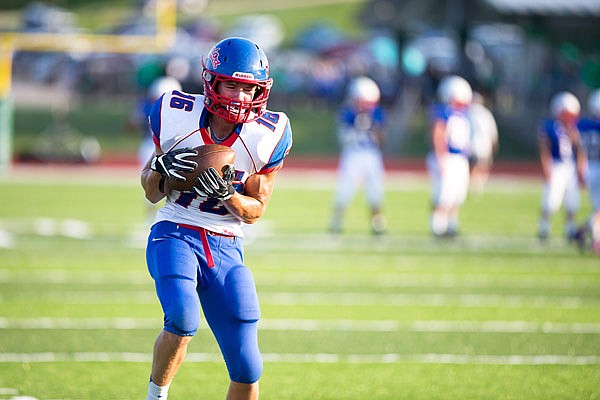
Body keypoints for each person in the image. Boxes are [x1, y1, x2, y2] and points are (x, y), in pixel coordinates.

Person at [141, 37, 293, 400]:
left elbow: (256, 211)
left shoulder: (267, 136)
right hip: (176, 229)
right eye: (232, 85)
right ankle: (155, 396)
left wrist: (229, 196)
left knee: (247, 367)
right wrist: (162, 172)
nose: (241, 96)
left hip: (227, 244)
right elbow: (150, 190)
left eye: (248, 88)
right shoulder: (176, 115)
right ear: (212, 82)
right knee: (181, 317)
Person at [329, 76, 387, 235]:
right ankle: (336, 222)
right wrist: (356, 126)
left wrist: (373, 128)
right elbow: (344, 138)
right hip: (353, 154)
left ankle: (378, 224)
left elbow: (382, 139)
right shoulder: (347, 113)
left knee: (376, 190)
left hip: (371, 154)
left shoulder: (377, 114)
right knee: (345, 189)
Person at [130, 76, 182, 226]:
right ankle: (150, 220)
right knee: (152, 183)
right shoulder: (149, 106)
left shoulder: (181, 111)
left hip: (172, 146)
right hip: (152, 146)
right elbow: (132, 123)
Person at [426, 74, 473, 237]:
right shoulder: (443, 112)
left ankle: (451, 225)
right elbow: (438, 134)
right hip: (448, 157)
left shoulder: (463, 114)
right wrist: (441, 156)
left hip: (460, 158)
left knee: (457, 194)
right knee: (444, 193)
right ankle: (437, 227)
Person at [536, 91, 586, 241]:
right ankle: (543, 228)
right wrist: (546, 166)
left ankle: (570, 230)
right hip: (556, 166)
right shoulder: (549, 126)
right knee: (551, 200)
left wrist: (580, 167)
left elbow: (580, 149)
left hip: (570, 167)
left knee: (573, 201)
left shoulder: (575, 128)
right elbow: (544, 148)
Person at [575, 88, 600, 252]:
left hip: (586, 167)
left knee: (597, 207)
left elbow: (577, 145)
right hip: (597, 166)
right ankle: (590, 233)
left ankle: (590, 235)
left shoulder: (581, 124)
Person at [467, 91, 499, 194]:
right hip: (484, 145)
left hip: (471, 145)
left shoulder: (468, 112)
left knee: (474, 166)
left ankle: (474, 185)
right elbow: (493, 132)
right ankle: (477, 185)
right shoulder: (486, 114)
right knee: (481, 166)